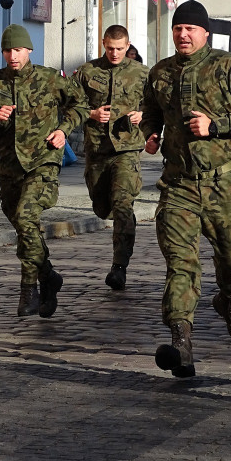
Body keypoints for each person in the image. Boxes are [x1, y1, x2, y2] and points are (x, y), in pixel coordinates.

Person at [141, 0, 231, 378]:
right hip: (178, 184)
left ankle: (229, 299)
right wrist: (150, 132)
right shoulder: (160, 72)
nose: (183, 34)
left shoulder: (227, 66)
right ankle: (182, 343)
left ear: (205, 33)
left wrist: (217, 125)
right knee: (181, 264)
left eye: (190, 29)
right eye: (178, 28)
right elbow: (151, 111)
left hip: (222, 184)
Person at [0, 24, 88, 317]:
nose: (12, 56)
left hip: (43, 162)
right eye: (7, 50)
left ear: (29, 50)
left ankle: (28, 289)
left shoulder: (50, 79)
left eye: (17, 50)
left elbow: (81, 104)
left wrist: (63, 129)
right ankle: (48, 275)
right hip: (10, 168)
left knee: (25, 217)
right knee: (24, 227)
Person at [74, 24, 149, 290]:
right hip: (97, 150)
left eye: (119, 48)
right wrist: (91, 114)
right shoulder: (87, 72)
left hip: (127, 149)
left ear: (127, 46)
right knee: (102, 206)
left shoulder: (142, 73)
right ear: (103, 45)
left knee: (122, 204)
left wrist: (143, 114)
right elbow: (70, 104)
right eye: (110, 48)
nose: (114, 53)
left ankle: (119, 266)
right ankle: (115, 217)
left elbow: (158, 104)